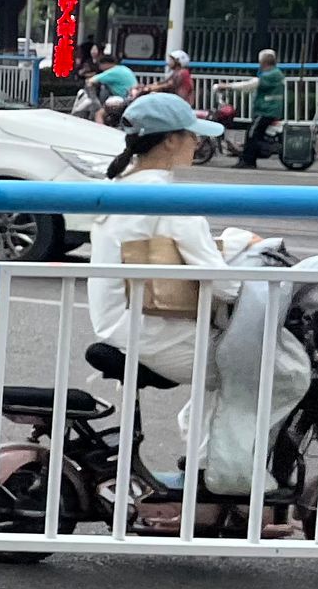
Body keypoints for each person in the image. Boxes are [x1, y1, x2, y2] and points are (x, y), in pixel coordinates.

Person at [87, 93, 240, 386]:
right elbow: (226, 285)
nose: (197, 142)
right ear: (170, 140)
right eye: (192, 135)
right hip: (154, 336)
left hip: (116, 326)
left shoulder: (119, 184)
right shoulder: (169, 198)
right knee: (270, 369)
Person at [226, 49, 287, 168]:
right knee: (254, 134)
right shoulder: (275, 73)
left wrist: (228, 86)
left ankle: (248, 161)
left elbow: (252, 84)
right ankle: (250, 159)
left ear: (264, 62)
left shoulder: (271, 75)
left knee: (252, 134)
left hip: (266, 111)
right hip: (268, 110)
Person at [85, 51, 139, 124]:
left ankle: (101, 129)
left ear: (105, 64)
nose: (99, 68)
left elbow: (91, 81)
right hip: (132, 98)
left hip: (124, 99)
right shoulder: (122, 68)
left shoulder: (112, 72)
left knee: (99, 114)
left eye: (99, 65)